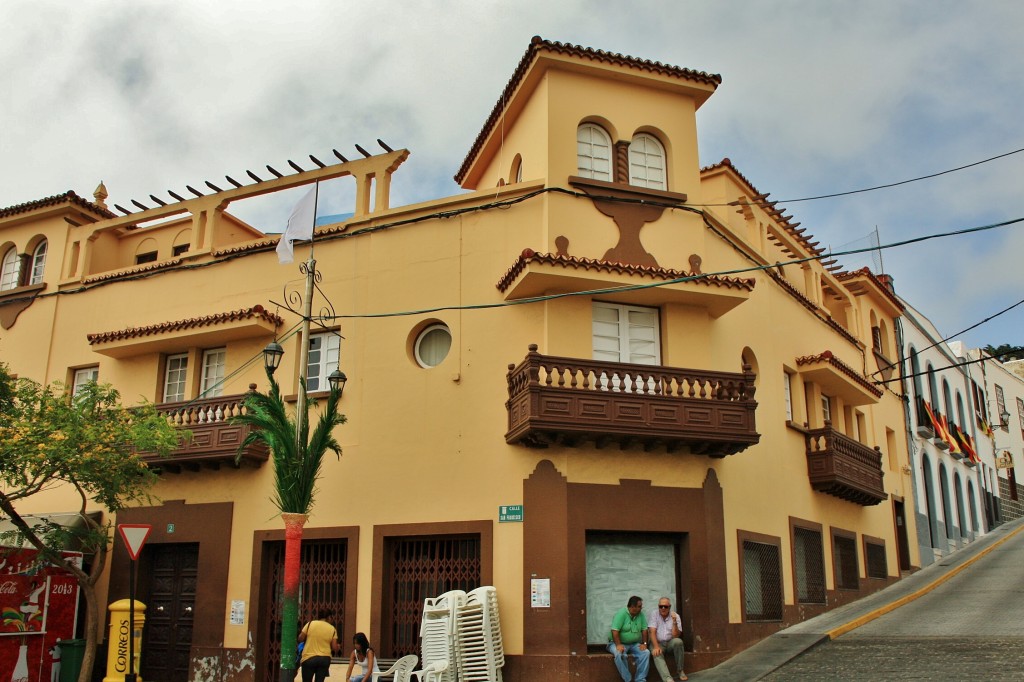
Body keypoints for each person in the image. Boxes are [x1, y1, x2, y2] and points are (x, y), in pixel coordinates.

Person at [608, 595, 650, 682]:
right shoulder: (621, 614)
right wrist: (618, 645)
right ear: (632, 607)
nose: (641, 608)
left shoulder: (640, 615)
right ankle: (628, 679)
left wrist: (644, 643)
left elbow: (645, 630)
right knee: (619, 654)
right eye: (639, 606)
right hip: (616, 643)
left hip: (634, 644)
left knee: (646, 653)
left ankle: (640, 679)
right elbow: (614, 631)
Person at [647, 597, 687, 682]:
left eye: (665, 606)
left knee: (678, 642)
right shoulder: (654, 614)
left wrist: (674, 622)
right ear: (658, 606)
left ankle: (680, 670)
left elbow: (675, 635)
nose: (663, 608)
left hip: (669, 643)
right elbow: (652, 632)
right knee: (656, 653)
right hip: (657, 642)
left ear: (669, 607)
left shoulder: (675, 616)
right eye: (661, 606)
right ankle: (668, 678)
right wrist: (656, 646)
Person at [298, 609, 340, 682]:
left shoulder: (310, 624)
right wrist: (338, 647)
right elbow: (334, 647)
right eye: (331, 618)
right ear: (329, 617)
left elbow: (300, 638)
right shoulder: (332, 629)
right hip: (324, 659)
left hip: (308, 658)